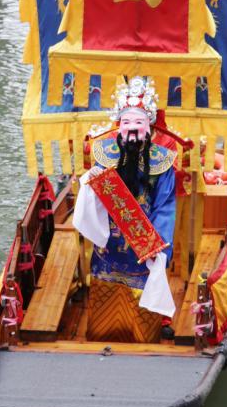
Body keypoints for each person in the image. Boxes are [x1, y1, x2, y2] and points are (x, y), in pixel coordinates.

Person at [73, 77, 177, 343]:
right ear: (118, 125)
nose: (132, 128)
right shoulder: (104, 153)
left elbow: (165, 206)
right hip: (109, 245)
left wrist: (159, 246)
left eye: (138, 122)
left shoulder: (162, 162)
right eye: (126, 122)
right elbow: (95, 194)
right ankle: (100, 338)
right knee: (105, 303)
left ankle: (144, 342)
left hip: (142, 246)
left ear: (149, 125)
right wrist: (91, 182)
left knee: (141, 314)